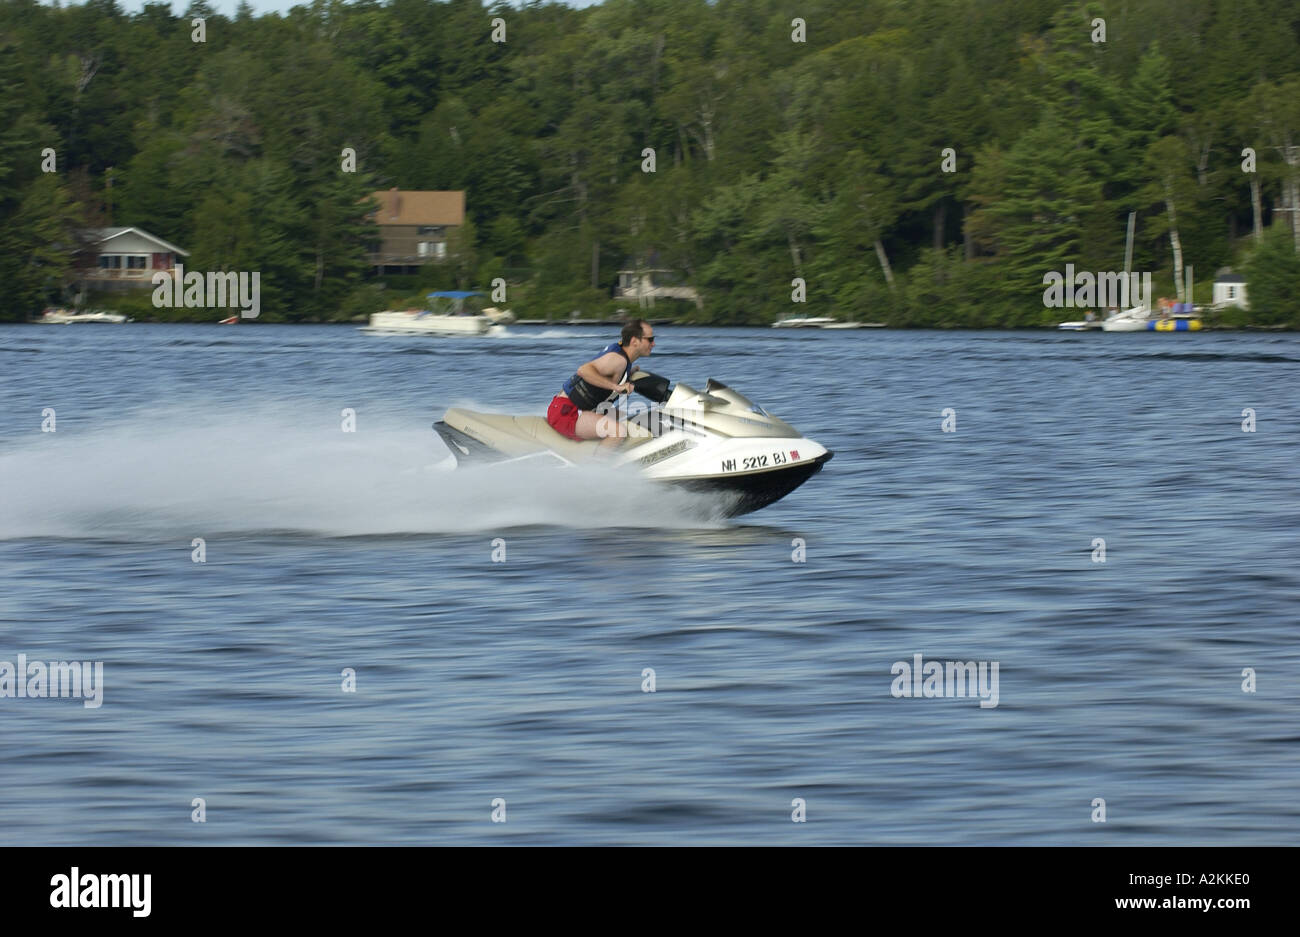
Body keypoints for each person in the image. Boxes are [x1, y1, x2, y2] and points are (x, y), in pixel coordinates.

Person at [547, 319, 656, 451]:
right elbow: (583, 370)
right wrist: (617, 387)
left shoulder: (622, 358)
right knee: (618, 431)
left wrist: (629, 375)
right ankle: (597, 469)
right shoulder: (618, 360)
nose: (653, 344)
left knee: (624, 416)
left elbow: (606, 373)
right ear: (634, 341)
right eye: (650, 339)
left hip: (571, 408)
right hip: (568, 412)